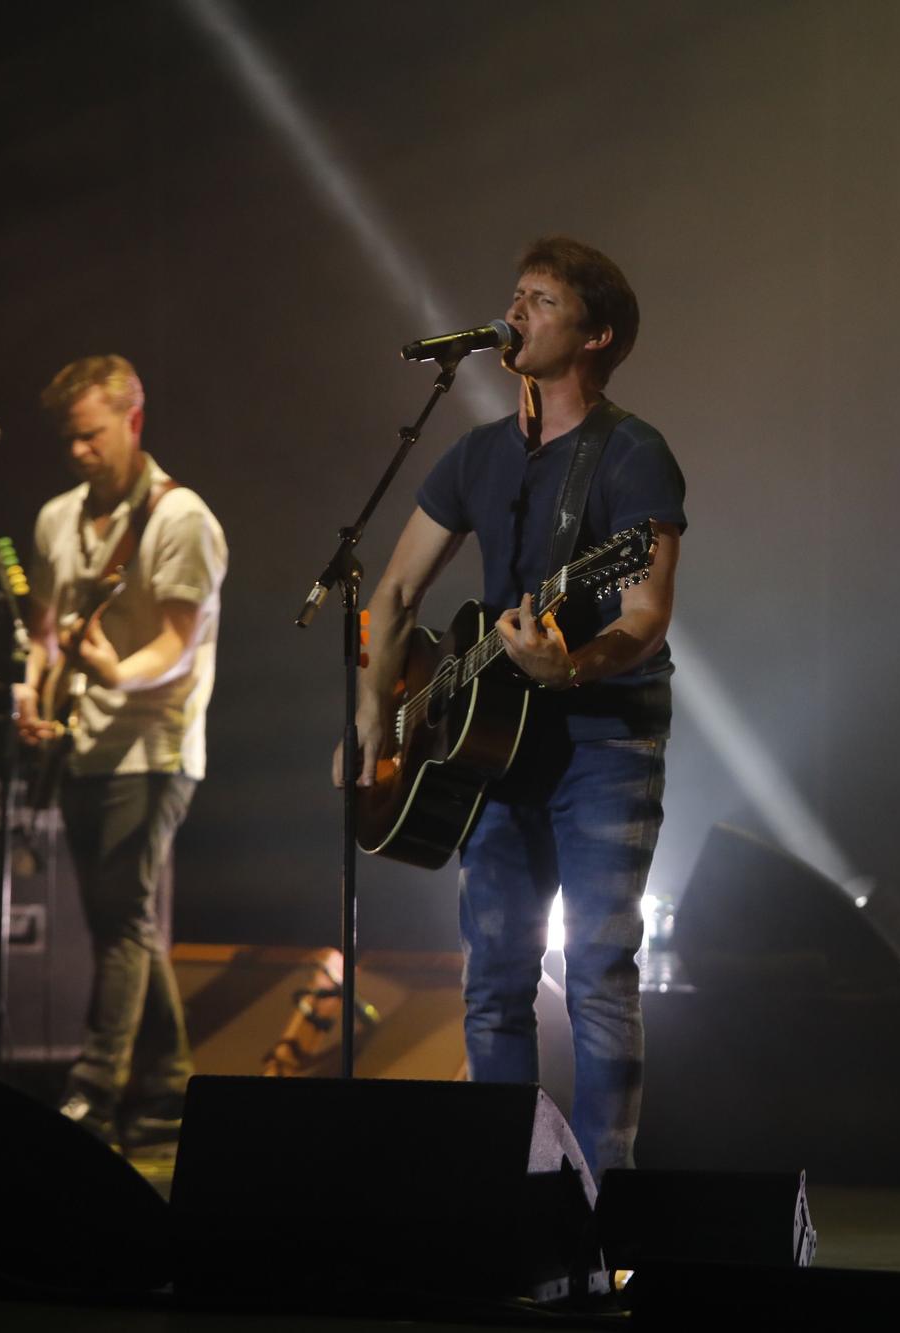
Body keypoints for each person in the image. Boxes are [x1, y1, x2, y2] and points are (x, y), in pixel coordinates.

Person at [337, 236, 684, 1183]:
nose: (515, 310)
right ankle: (509, 1196)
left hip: (604, 738)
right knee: (492, 982)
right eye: (515, 295)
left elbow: (648, 613)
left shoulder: (635, 454)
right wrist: (375, 712)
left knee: (599, 979)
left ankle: (607, 1210)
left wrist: (571, 666)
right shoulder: (476, 454)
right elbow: (394, 598)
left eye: (541, 300)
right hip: (491, 749)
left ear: (594, 335)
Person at [15, 355, 227, 1148]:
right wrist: (30, 696)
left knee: (125, 915)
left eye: (91, 436)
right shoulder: (55, 519)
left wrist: (112, 670)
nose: (77, 452)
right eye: (69, 439)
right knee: (119, 922)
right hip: (81, 742)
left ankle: (94, 1087)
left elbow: (177, 646)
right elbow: (41, 628)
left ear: (133, 422)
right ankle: (171, 1088)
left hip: (157, 745)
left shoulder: (181, 520)